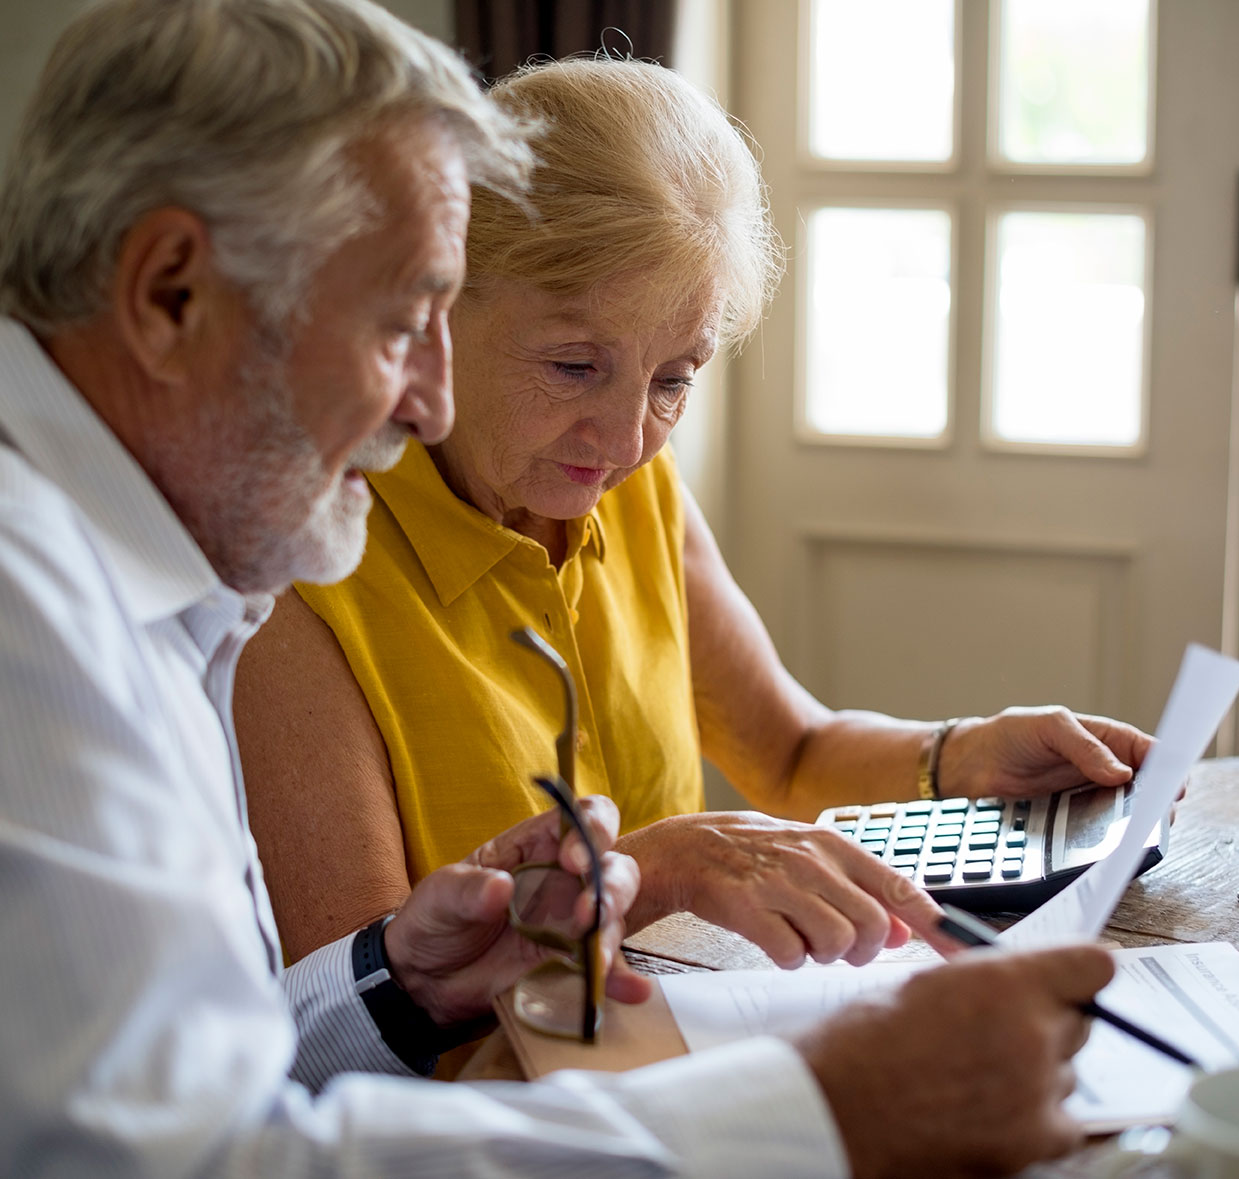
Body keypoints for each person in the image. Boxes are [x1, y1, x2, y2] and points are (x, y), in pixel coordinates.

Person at [0, 2, 1117, 1176]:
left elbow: (200, 1068)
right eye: (397, 326)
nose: (426, 405)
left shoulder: (155, 584)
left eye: (674, 375)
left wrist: (396, 980)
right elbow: (205, 1162)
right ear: (170, 293)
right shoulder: (41, 617)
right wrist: (822, 1114)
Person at [235, 56, 1155, 970]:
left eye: (674, 378)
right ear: (438, 305)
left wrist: (964, 756)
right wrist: (653, 871)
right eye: (572, 366)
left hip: (678, 1040)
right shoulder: (307, 569)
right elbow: (358, 1004)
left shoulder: (630, 487)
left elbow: (790, 754)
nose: (629, 437)